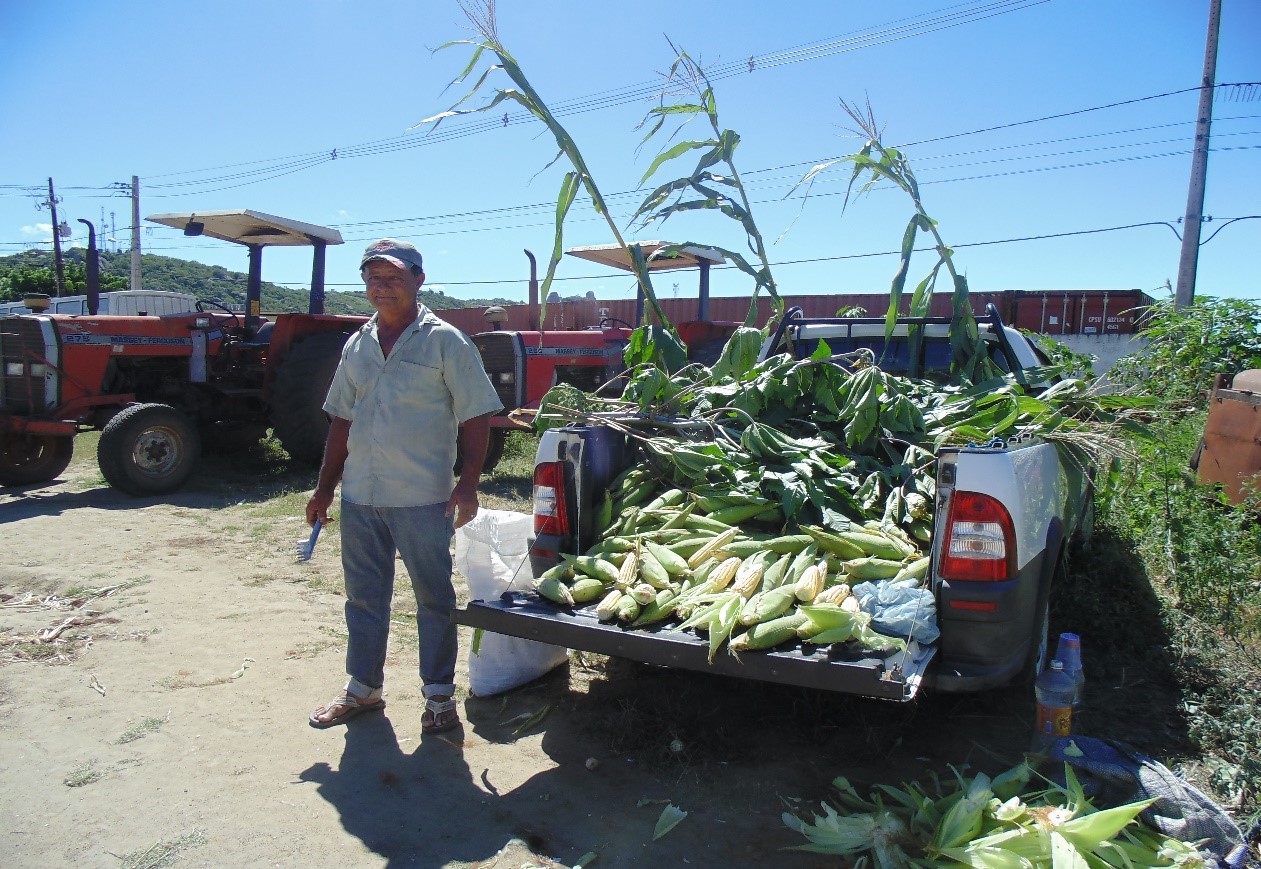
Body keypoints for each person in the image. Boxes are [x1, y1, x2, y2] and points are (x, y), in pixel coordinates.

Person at [306, 238, 503, 733]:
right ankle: (363, 689)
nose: (382, 287)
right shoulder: (358, 343)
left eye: (394, 278)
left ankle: (439, 696)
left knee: (433, 597)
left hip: (422, 497)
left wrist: (468, 484)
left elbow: (477, 415)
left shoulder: (446, 342)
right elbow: (340, 421)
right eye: (373, 278)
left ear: (418, 280)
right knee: (364, 596)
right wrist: (324, 488)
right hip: (361, 496)